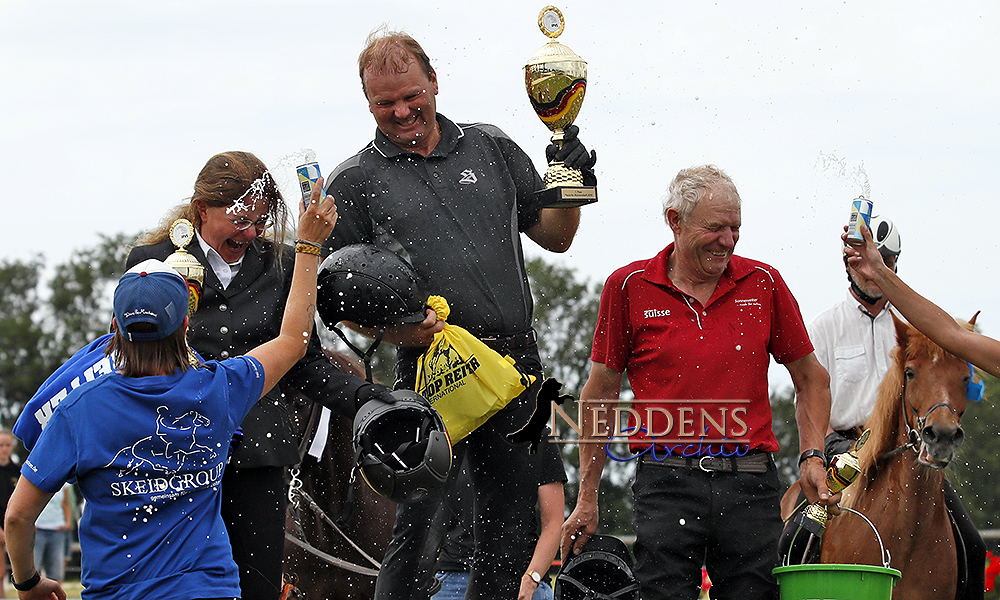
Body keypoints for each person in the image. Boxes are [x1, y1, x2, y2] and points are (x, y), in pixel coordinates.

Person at [323, 29, 595, 600]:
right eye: (384, 103)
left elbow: (556, 237)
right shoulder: (355, 181)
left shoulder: (491, 147)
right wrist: (394, 328)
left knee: (510, 528)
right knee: (419, 528)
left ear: (435, 83)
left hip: (512, 360)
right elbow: (338, 303)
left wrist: (572, 183)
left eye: (411, 95)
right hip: (427, 365)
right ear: (367, 102)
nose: (401, 111)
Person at [4, 180, 337, 600]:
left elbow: (17, 517)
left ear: (114, 330)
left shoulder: (79, 410)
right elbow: (293, 340)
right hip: (208, 590)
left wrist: (28, 582)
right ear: (185, 325)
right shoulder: (220, 389)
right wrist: (307, 246)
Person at [560, 165, 837, 600]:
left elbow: (811, 379)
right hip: (666, 484)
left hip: (750, 483)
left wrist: (812, 455)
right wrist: (587, 495)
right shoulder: (628, 286)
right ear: (675, 221)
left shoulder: (763, 283)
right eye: (715, 227)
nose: (728, 240)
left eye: (735, 228)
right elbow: (601, 394)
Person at [125, 152, 393, 600]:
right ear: (201, 208)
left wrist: (367, 395)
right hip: (176, 457)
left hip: (259, 456)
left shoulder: (285, 264)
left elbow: (303, 362)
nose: (251, 233)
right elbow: (136, 358)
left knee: (259, 587)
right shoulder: (151, 258)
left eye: (261, 222)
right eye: (241, 220)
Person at [841, 221, 988, 599]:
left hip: (908, 445)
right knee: (796, 529)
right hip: (844, 447)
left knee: (972, 544)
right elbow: (949, 333)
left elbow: (950, 337)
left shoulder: (922, 337)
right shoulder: (828, 325)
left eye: (890, 263)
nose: (878, 271)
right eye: (879, 263)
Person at [431, 436, 567, 600]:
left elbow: (554, 522)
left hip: (522, 578)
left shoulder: (536, 436)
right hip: (453, 579)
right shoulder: (448, 436)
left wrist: (532, 578)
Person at [32, 484, 72, 585]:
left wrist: (67, 523)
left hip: (57, 530)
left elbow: (66, 503)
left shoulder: (64, 484)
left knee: (56, 573)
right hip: (37, 530)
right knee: (33, 571)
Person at [0, 430, 20, 598]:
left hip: (12, 525)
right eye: (1, 445)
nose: (4, 449)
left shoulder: (18, 471)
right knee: (0, 572)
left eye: (7, 445)